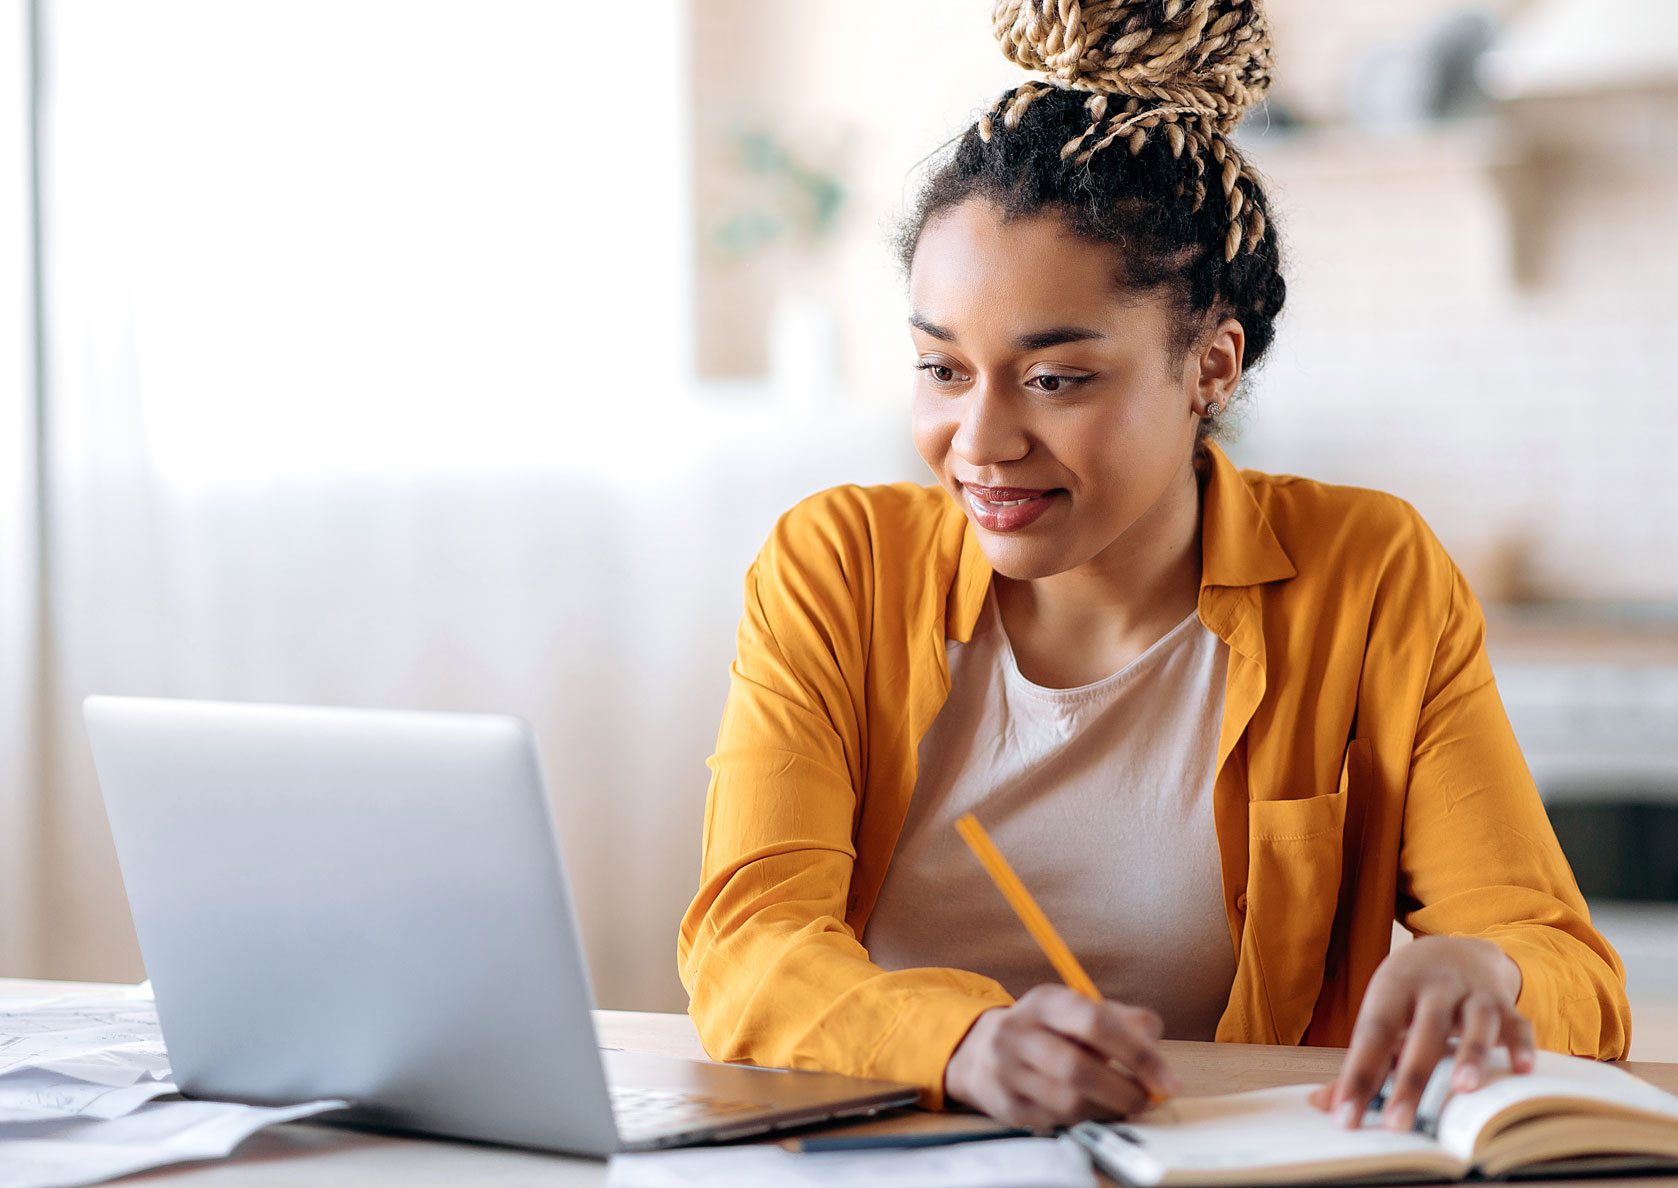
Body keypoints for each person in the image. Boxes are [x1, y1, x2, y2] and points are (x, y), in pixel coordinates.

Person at [678, 0, 1629, 1135]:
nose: (978, 441)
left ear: (1210, 367)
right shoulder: (834, 566)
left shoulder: (1368, 577)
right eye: (942, 369)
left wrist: (1489, 974)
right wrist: (966, 1044)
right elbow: (747, 943)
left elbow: (1564, 966)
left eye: (1056, 379)